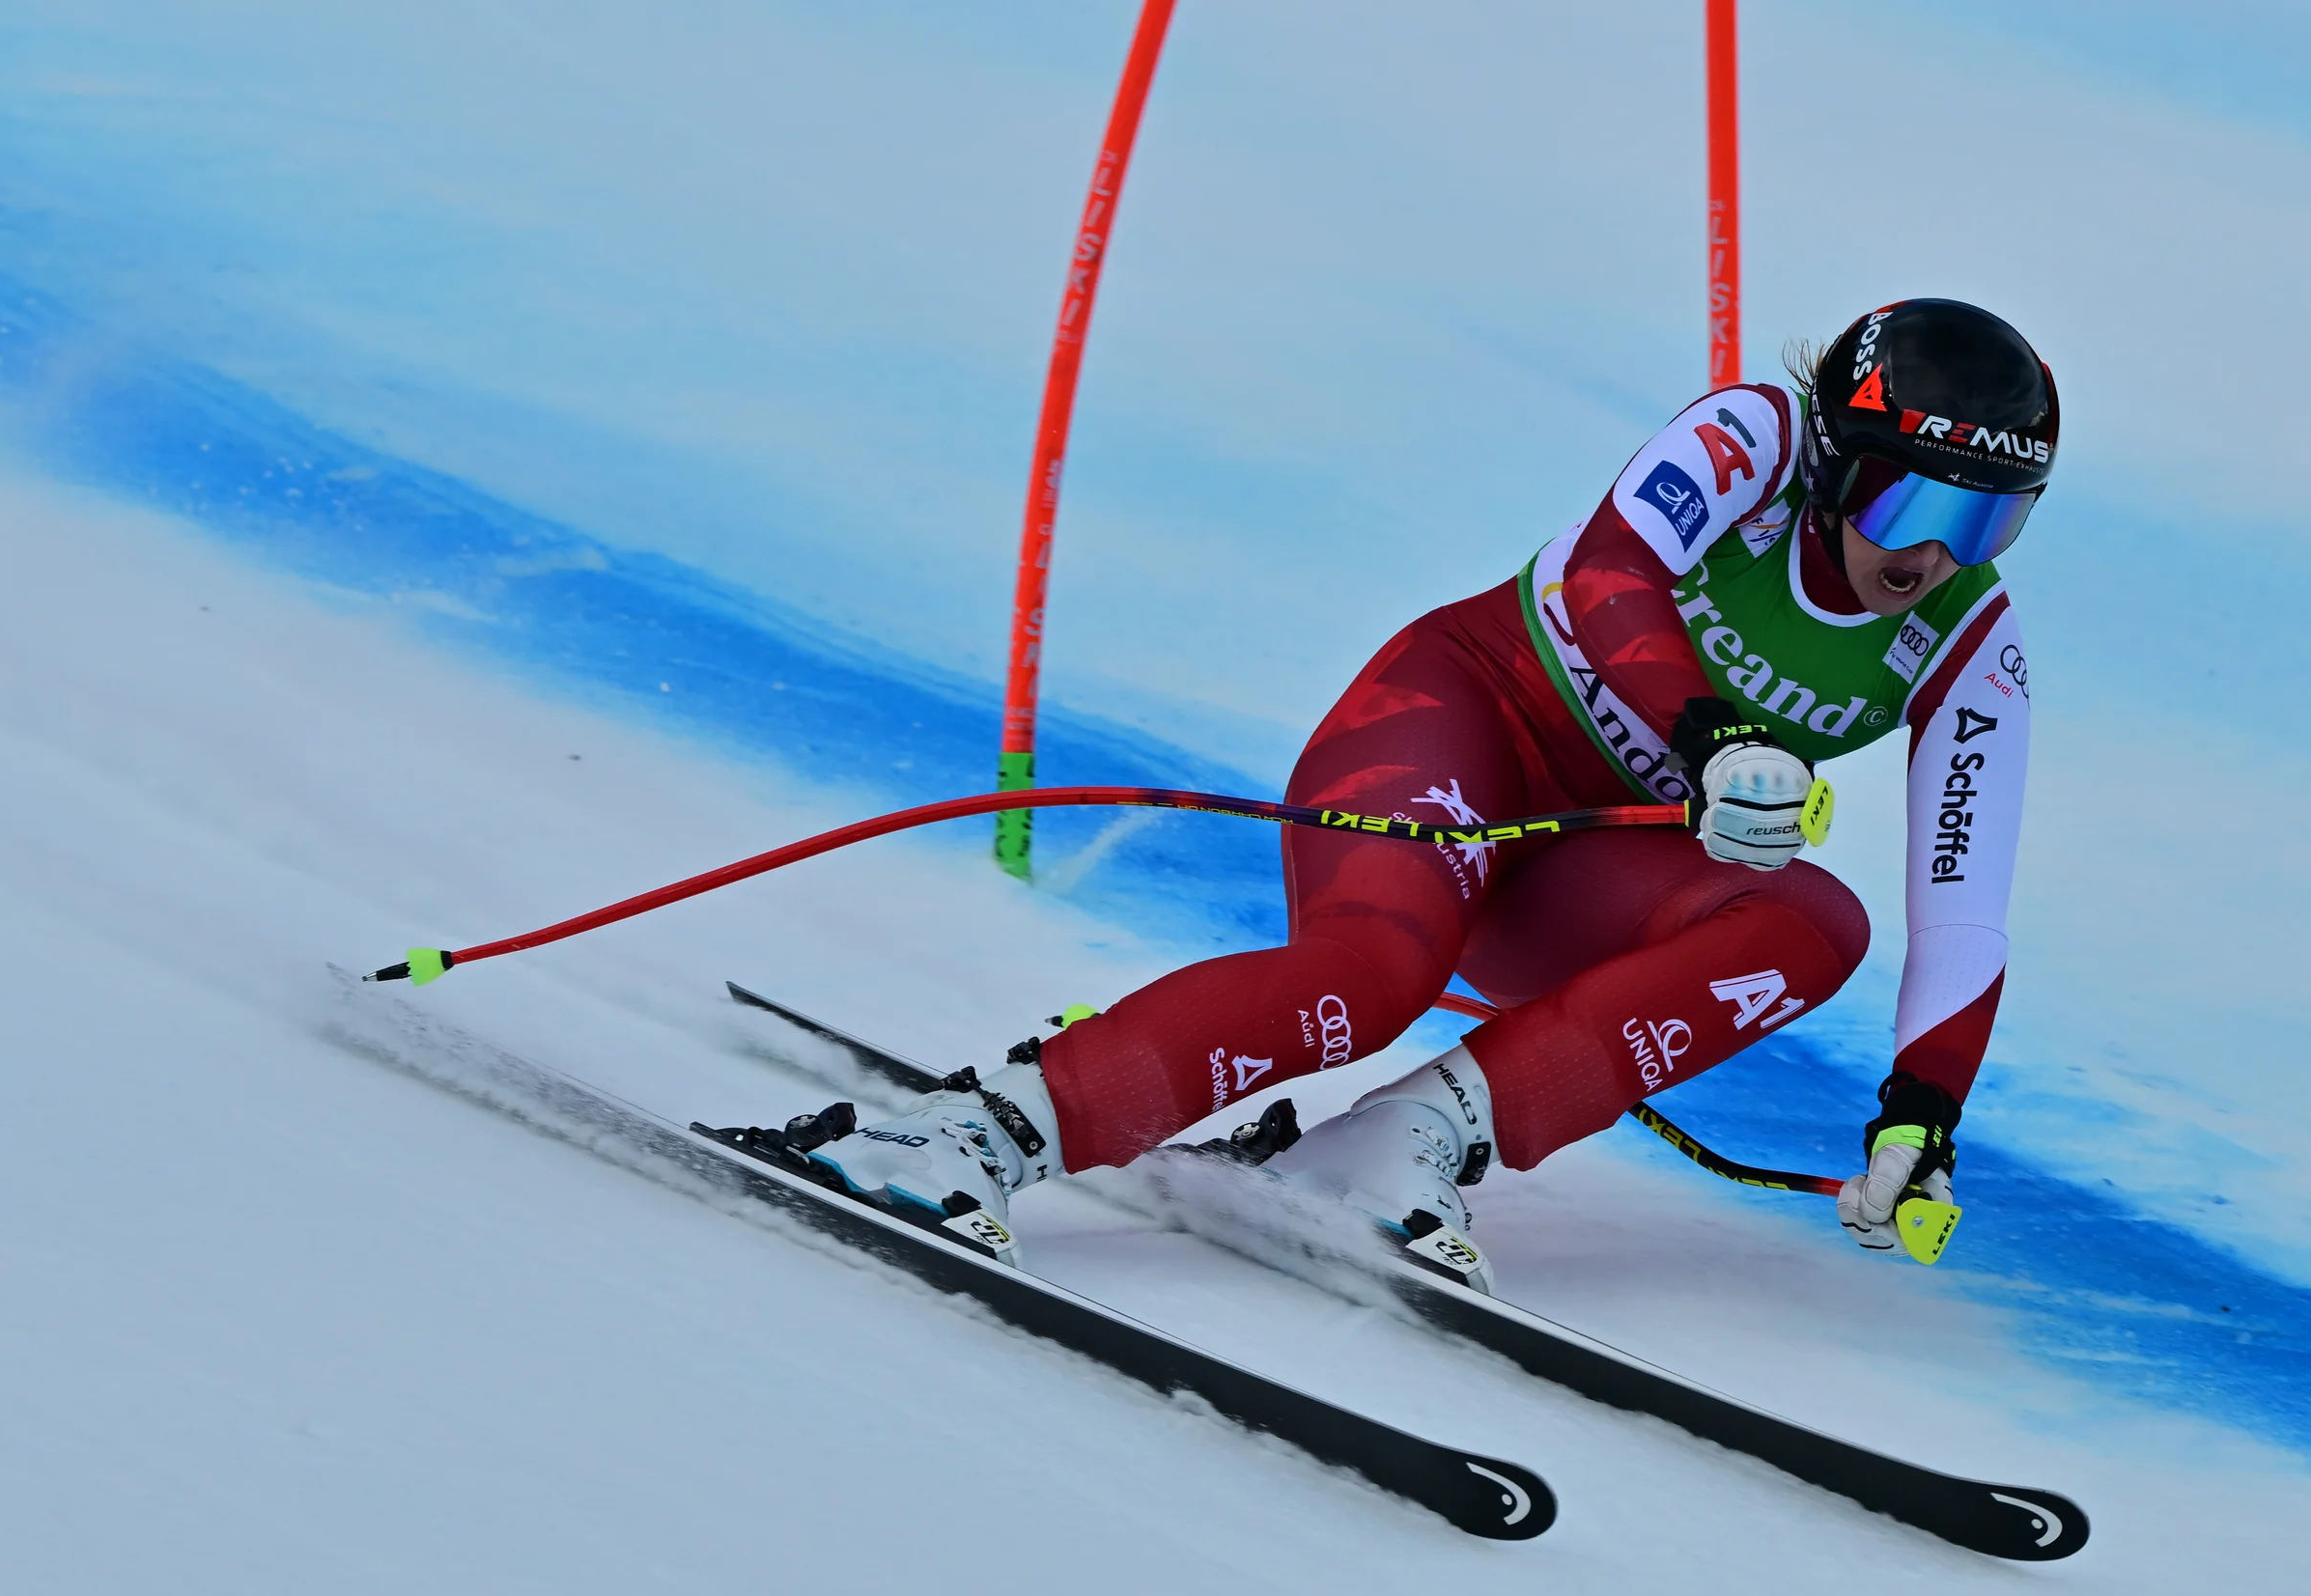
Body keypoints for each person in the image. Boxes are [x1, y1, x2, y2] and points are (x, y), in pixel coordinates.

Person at [794, 297, 2053, 1288]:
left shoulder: (1967, 645)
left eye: (1987, 524)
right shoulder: (1752, 438)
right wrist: (1718, 734)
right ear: (1836, 462)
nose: (1936, 553)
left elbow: (1963, 910)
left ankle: (1394, 1143)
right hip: (1455, 729)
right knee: (1365, 982)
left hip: (1580, 864)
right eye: (1911, 500)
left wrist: (1920, 1112)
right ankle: (965, 1133)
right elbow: (1614, 572)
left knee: (1811, 923)